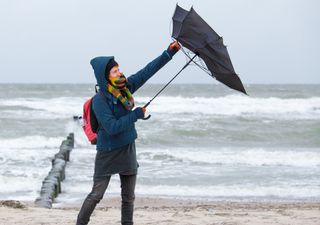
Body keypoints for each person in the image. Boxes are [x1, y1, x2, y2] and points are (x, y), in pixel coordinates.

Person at [76, 40, 180, 225]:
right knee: (96, 195)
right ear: (105, 76)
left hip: (128, 148)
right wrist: (136, 115)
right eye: (115, 71)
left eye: (119, 69)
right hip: (108, 151)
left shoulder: (125, 88)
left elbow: (147, 71)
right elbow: (112, 127)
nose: (120, 72)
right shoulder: (100, 101)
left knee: (128, 198)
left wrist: (169, 53)